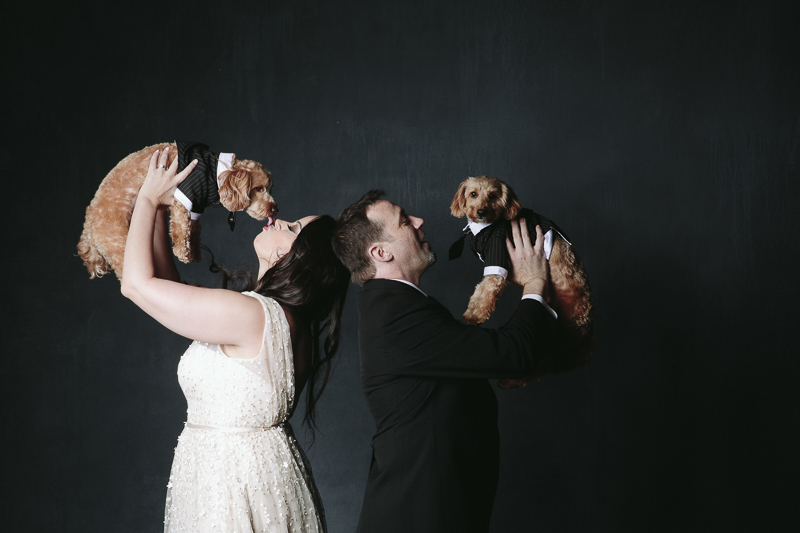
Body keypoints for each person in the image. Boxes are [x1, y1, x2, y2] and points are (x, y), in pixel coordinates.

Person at [121, 147, 349, 532]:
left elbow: (137, 286)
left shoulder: (254, 315)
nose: (279, 220)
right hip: (254, 476)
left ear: (296, 261)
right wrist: (163, 206)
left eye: (292, 229)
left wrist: (146, 198)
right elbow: (168, 289)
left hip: (230, 483)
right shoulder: (287, 321)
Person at [331, 190, 557, 533]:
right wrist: (535, 281)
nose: (419, 221)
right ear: (381, 252)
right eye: (405, 221)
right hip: (420, 515)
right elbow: (514, 355)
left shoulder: (398, 306)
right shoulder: (395, 316)